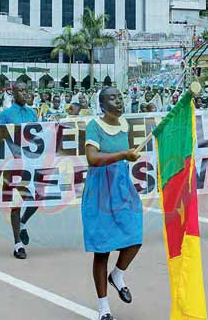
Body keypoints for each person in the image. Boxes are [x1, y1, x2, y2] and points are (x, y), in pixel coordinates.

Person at [83, 86, 143, 320]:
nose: (118, 101)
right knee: (102, 251)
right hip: (100, 191)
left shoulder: (124, 124)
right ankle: (104, 308)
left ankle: (117, 275)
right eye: (112, 98)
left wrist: (128, 158)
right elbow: (92, 158)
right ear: (102, 104)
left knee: (135, 236)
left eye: (120, 96)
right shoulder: (94, 126)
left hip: (121, 187)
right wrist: (123, 156)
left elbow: (125, 156)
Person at [0, 82, 39, 259]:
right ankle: (17, 245)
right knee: (17, 202)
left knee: (36, 199)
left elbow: (40, 136)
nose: (24, 93)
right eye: (20, 90)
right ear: (13, 93)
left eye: (26, 90)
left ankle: (22, 223)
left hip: (32, 163)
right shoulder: (6, 115)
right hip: (14, 164)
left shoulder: (33, 113)